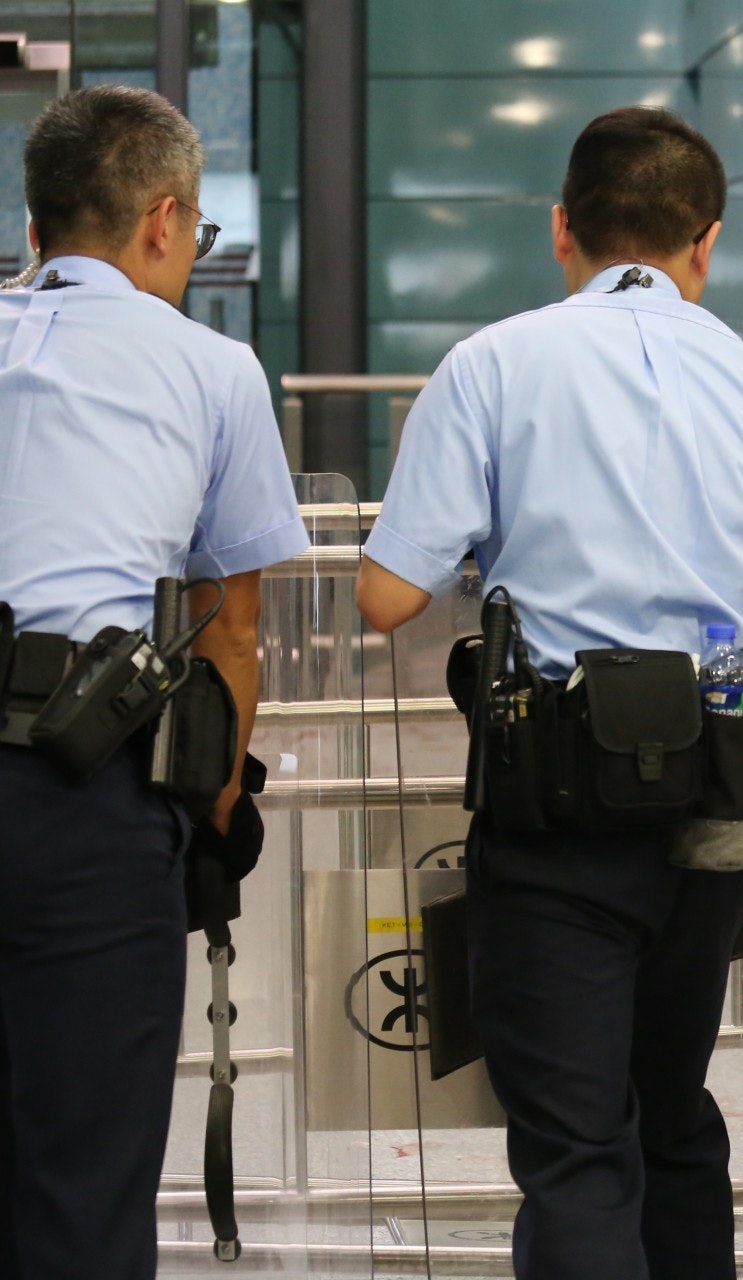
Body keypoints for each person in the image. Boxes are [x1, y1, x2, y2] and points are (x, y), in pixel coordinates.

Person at [356, 107, 743, 1279]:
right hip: (719, 810)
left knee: (580, 1144)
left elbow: (385, 596)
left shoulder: (491, 365)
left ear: (561, 232)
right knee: (673, 1111)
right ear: (707, 243)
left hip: (557, 813)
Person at [0, 85, 308, 1278]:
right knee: (82, 1176)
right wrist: (213, 804)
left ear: (35, 229)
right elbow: (231, 630)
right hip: (84, 791)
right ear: (166, 222)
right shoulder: (213, 370)